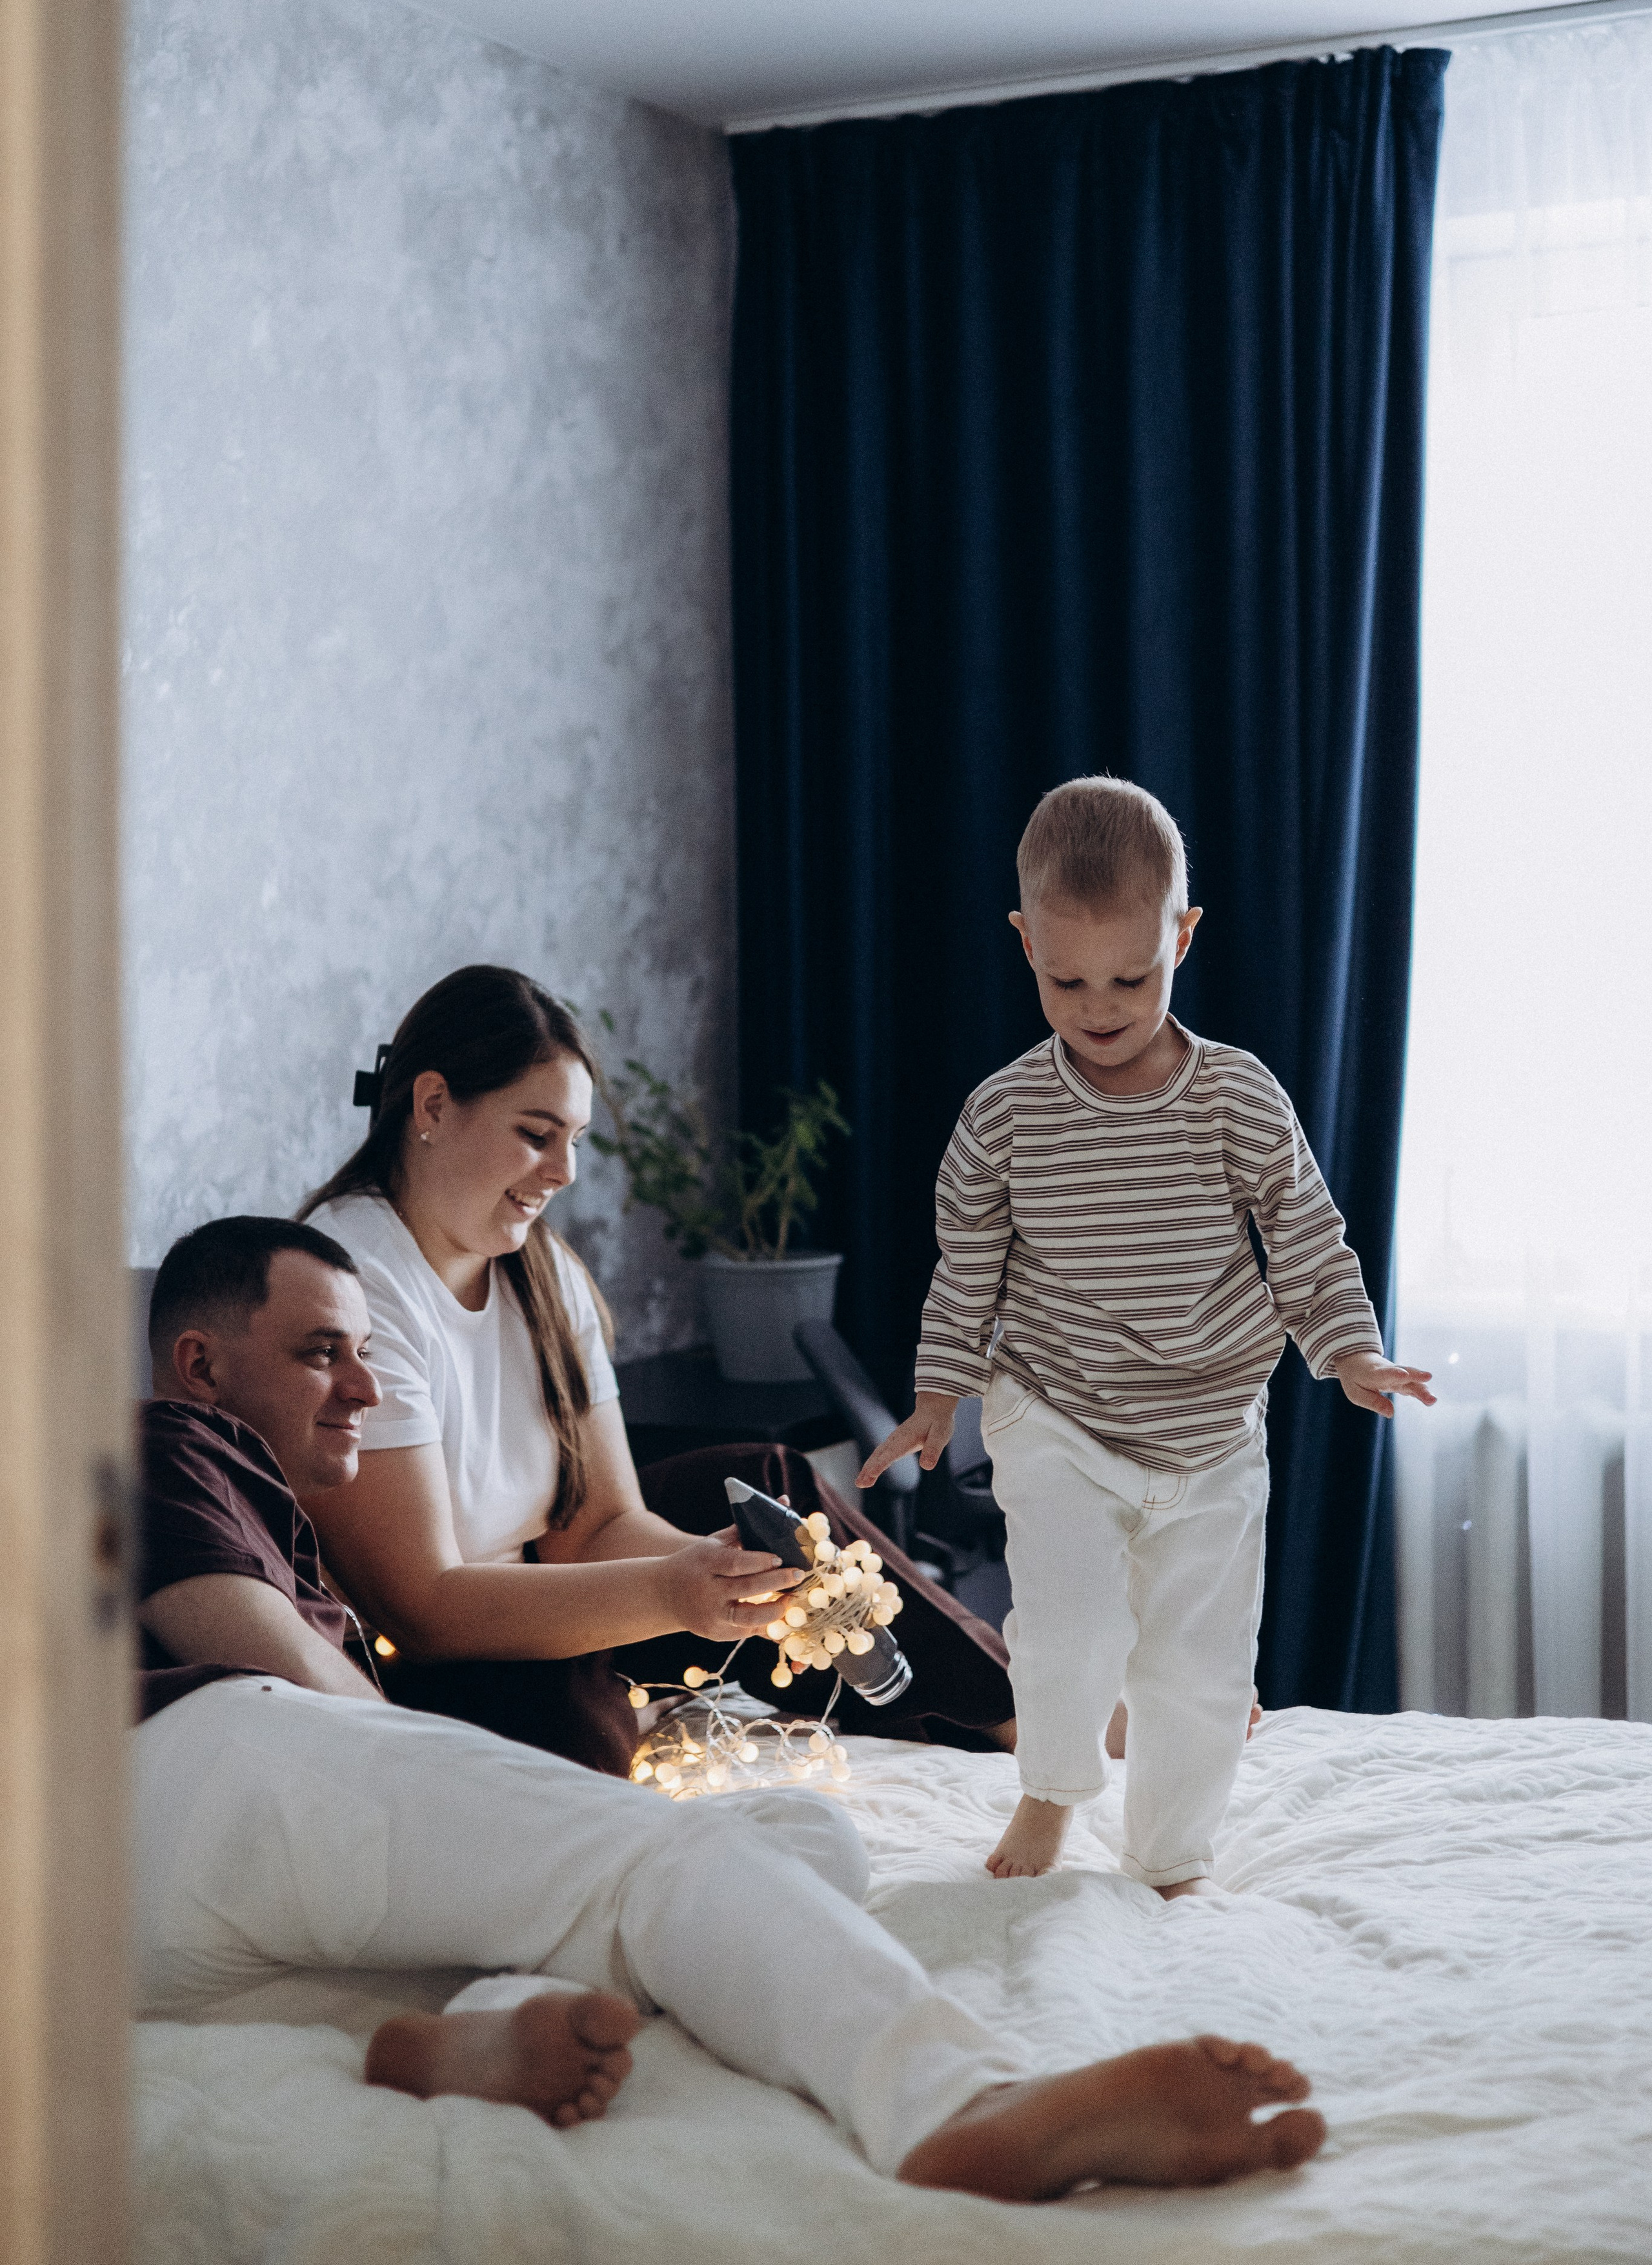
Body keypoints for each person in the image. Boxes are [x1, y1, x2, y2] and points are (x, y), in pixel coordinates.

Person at [132, 1211, 1327, 2197]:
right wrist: (496, 1801)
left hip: (172, 1940)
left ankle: (439, 2037)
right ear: (200, 1366)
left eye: (364, 1352)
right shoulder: (165, 1447)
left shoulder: (283, 1505)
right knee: (653, 1866)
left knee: (798, 1836)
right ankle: (955, 2101)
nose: (363, 1386)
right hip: (188, 1782)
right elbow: (272, 1676)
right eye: (319, 1354)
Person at [858, 776, 1435, 1887]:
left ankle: (1171, 1851)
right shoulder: (1005, 1114)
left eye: (1133, 974)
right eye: (1065, 978)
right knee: (1068, 1630)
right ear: (1024, 941)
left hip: (1212, 1427)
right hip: (1057, 1411)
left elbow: (1307, 1240)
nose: (1100, 1004)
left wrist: (1350, 1351)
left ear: (1185, 934)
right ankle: (1050, 1791)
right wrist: (940, 1395)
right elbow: (967, 1265)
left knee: (1200, 1667)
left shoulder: (1238, 1098)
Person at [297, 965, 1015, 1776]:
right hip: (443, 1643)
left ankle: (1017, 1712)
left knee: (767, 1488)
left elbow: (598, 1525)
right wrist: (669, 1594)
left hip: (543, 1576)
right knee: (575, 1728)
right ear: (432, 1106)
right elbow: (422, 1607)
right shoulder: (352, 1283)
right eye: (537, 1135)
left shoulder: (541, 1271)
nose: (565, 1173)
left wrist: (713, 1575)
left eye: (574, 1141)